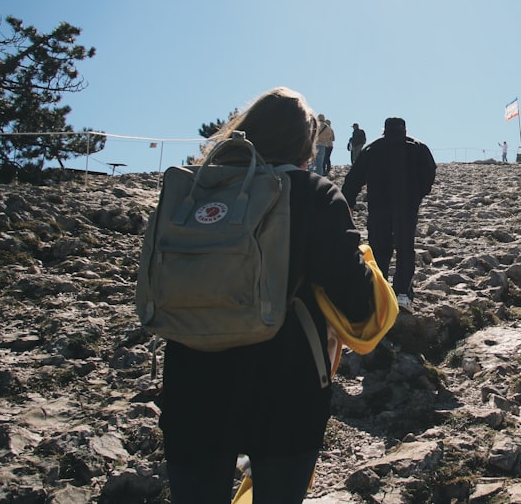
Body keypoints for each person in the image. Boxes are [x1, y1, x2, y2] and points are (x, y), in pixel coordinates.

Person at [160, 87, 377, 504]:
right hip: (285, 390)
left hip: (191, 382)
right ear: (304, 144)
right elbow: (357, 302)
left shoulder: (196, 192)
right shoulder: (314, 193)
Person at [342, 117, 436, 313]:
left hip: (378, 207)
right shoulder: (417, 148)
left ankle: (378, 295)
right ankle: (402, 295)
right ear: (404, 129)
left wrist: (348, 201)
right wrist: (417, 194)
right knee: (405, 249)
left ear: (384, 130)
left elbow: (353, 178)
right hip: (406, 207)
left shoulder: (372, 149)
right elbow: (429, 173)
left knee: (378, 251)